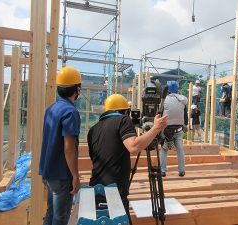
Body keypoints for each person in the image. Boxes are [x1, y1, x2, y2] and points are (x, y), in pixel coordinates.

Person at [87, 94, 168, 224]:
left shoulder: (93, 129)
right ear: (125, 111)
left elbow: (94, 159)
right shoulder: (123, 120)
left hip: (95, 190)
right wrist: (155, 129)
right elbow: (134, 147)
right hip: (114, 191)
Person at [39, 66, 82, 225]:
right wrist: (75, 176)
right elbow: (69, 147)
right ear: (77, 89)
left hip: (49, 171)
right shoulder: (70, 112)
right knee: (60, 218)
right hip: (62, 174)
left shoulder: (51, 109)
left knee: (50, 214)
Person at [160, 81, 188, 177]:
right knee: (180, 150)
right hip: (178, 129)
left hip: (166, 129)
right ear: (177, 89)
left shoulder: (164, 100)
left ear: (167, 90)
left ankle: (162, 170)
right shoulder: (182, 100)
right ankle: (181, 170)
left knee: (164, 149)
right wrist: (186, 125)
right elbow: (185, 114)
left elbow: (160, 113)